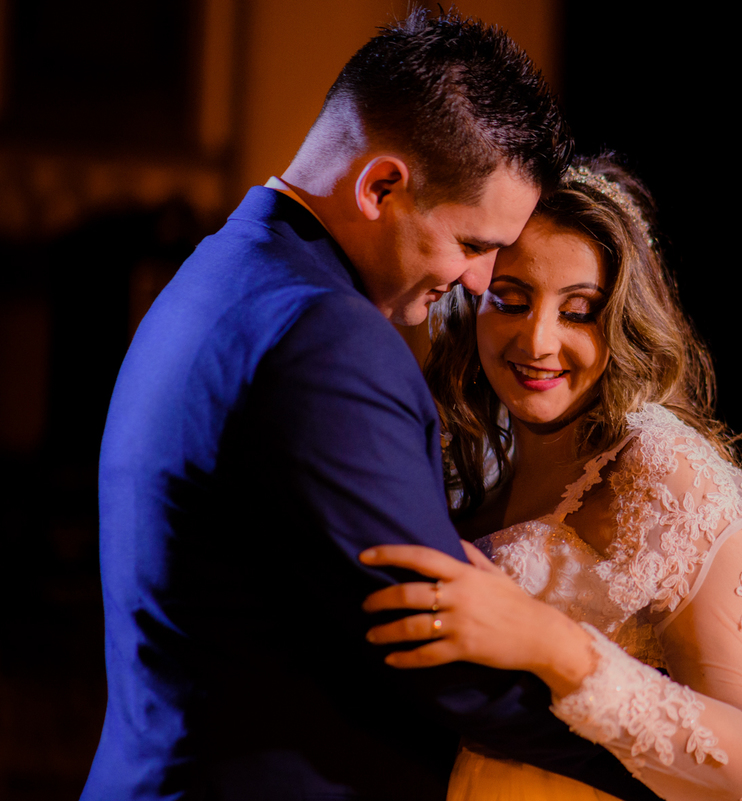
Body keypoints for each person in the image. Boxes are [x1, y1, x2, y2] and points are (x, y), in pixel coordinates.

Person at [82, 12, 659, 801]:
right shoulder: (328, 338)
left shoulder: (221, 272)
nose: (481, 281)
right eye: (473, 243)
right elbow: (436, 652)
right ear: (381, 185)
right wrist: (661, 752)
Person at [359, 156, 742, 801]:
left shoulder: (667, 473)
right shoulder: (467, 452)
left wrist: (552, 646)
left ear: (621, 320)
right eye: (510, 301)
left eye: (579, 310)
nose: (537, 340)